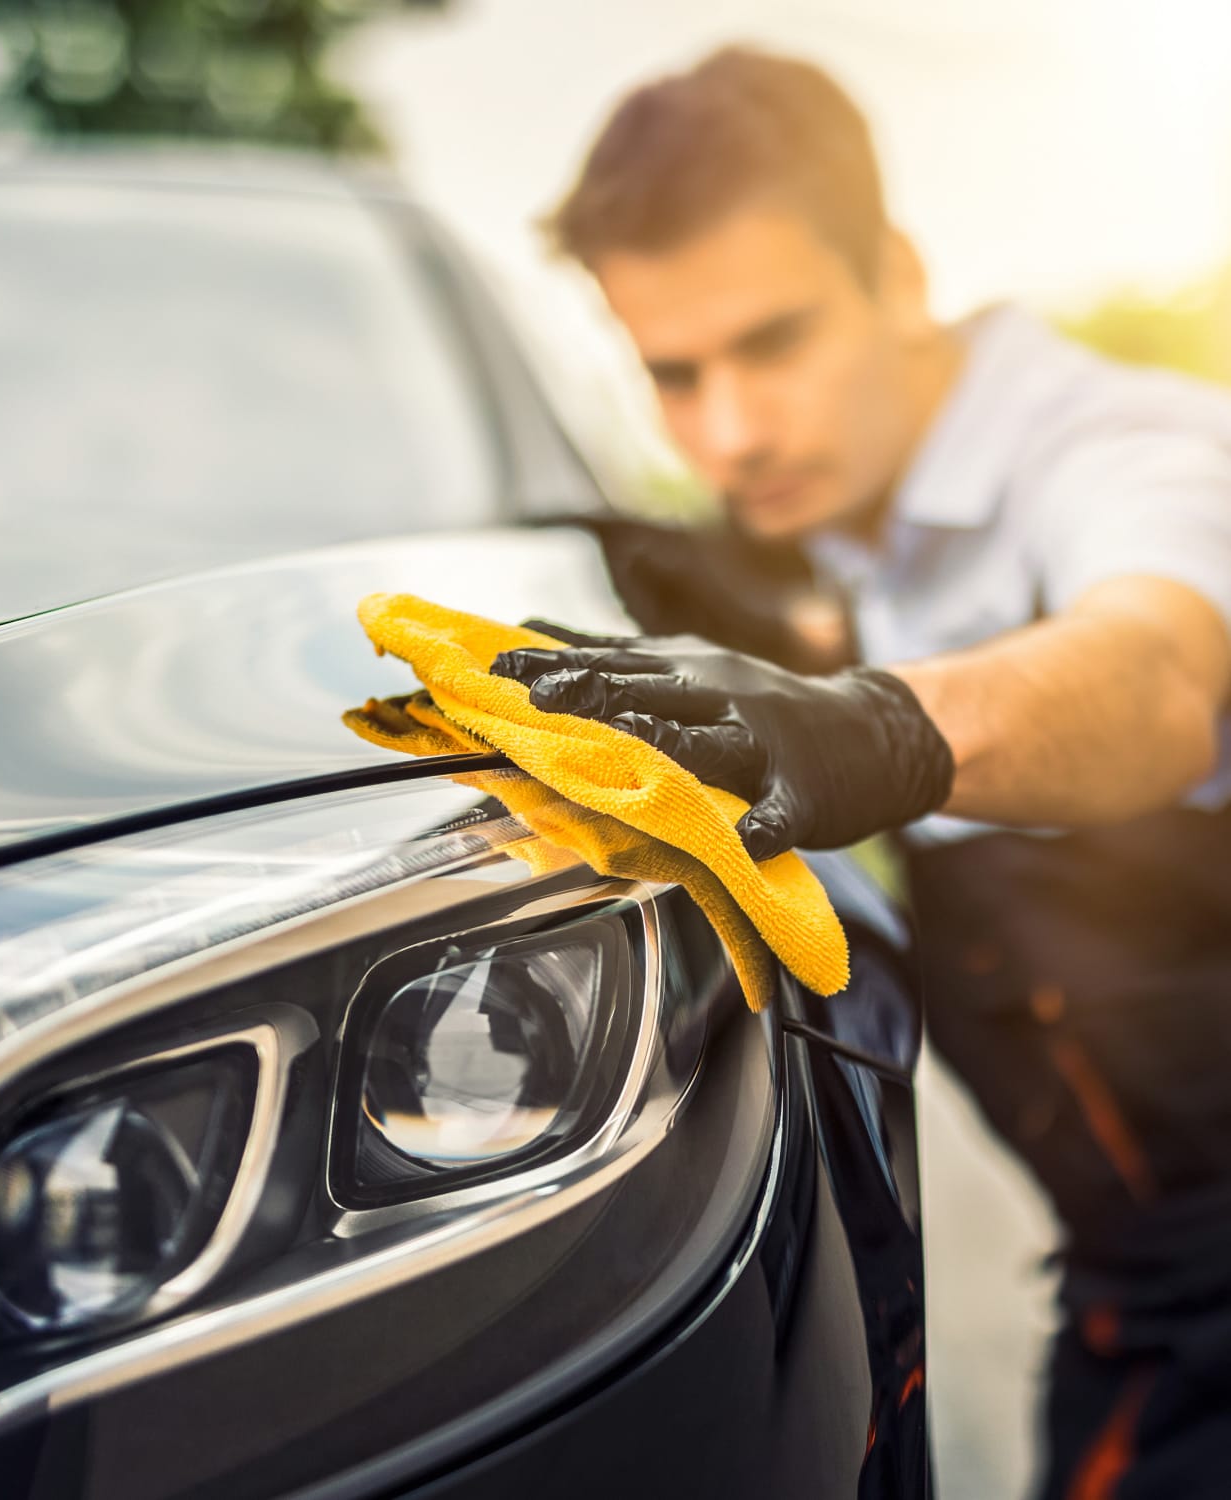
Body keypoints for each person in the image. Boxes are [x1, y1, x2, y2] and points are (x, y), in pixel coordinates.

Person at [493, 45, 1231, 1500]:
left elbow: (1158, 677)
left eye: (773, 344)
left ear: (896, 272)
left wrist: (883, 726)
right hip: (1134, 1304)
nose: (728, 433)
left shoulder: (1127, 447)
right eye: (672, 374)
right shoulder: (849, 524)